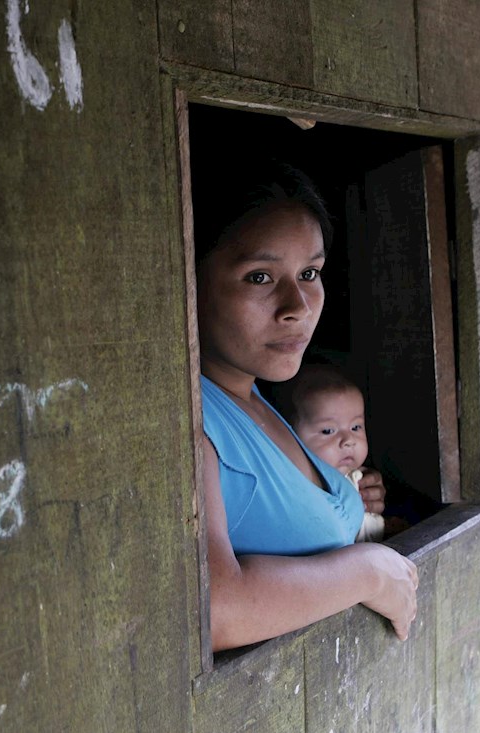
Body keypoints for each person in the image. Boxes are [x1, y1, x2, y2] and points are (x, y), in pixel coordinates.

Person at [195, 161, 418, 652]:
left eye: (309, 272)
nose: (296, 304)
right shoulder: (193, 420)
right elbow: (211, 611)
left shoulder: (254, 396)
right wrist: (369, 573)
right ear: (191, 280)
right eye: (259, 276)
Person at [276, 365, 386, 542]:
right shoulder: (294, 491)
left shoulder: (360, 480)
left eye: (355, 427)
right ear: (289, 437)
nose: (348, 440)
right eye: (328, 431)